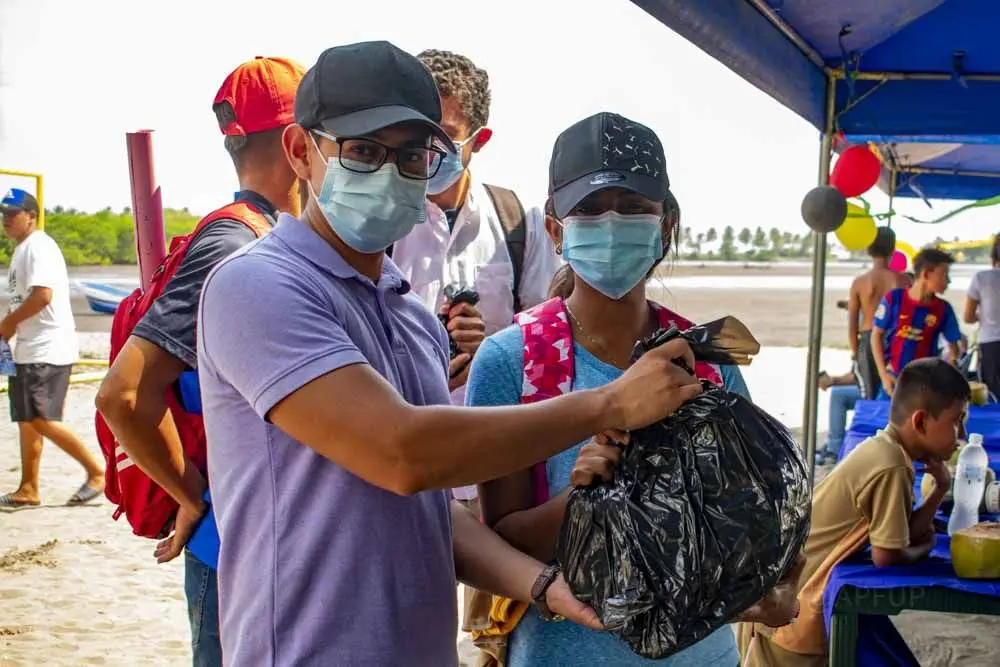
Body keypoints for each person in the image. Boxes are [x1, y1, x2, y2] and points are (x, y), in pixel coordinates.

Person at [194, 41, 704, 666]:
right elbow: (403, 453)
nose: (390, 174)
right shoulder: (258, 285)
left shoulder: (410, 316)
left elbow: (433, 511)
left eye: (413, 156)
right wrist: (610, 405)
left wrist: (545, 587)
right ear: (302, 150)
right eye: (363, 152)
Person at [464, 112, 799, 667]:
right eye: (590, 210)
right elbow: (499, 549)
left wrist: (775, 584)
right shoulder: (513, 363)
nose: (612, 223)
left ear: (666, 225)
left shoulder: (706, 362)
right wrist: (583, 499)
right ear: (555, 230)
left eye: (633, 207)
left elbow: (749, 523)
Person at [95, 56, 305, 667]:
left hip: (272, 536)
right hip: (232, 542)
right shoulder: (233, 244)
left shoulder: (270, 234)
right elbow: (123, 394)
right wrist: (189, 496)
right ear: (298, 144)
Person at [393, 49, 559, 513]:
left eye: (445, 136)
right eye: (418, 133)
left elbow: (547, 341)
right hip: (405, 461)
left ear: (478, 140)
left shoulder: (517, 222)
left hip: (494, 467)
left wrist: (490, 350)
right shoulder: (381, 223)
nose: (428, 151)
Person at [737, 357, 968, 666]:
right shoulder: (893, 466)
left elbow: (898, 532)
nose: (962, 433)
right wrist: (925, 548)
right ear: (921, 421)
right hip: (791, 603)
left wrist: (939, 489)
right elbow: (887, 555)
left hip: (784, 591)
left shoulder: (886, 448)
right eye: (956, 421)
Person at [1, 188, 104, 508]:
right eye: (3, 214)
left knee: (41, 418)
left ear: (31, 216)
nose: (6, 219)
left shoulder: (38, 246)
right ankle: (28, 488)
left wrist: (8, 325)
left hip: (48, 347)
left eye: (13, 213)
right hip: (29, 347)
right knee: (26, 419)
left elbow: (43, 296)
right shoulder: (22, 249)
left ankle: (97, 472)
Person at [871, 247, 962, 399]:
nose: (948, 281)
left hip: (926, 384)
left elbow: (954, 349)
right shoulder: (893, 299)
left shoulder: (943, 309)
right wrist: (883, 374)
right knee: (882, 414)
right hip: (893, 380)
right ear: (926, 274)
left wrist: (950, 366)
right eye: (944, 275)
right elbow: (876, 335)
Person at [848, 226, 908, 399]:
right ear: (893, 249)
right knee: (897, 396)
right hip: (895, 339)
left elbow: (852, 325)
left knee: (869, 396)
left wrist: (855, 352)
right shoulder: (903, 280)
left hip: (868, 340)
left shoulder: (860, 282)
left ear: (869, 249)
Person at [964, 234, 1000, 396]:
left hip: (991, 344)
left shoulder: (982, 278)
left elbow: (968, 317)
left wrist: (984, 315)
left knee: (993, 395)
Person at [814, 370, 862, 465]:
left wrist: (833, 380)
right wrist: (832, 381)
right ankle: (833, 443)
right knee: (837, 391)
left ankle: (834, 450)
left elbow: (864, 379)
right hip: (874, 386)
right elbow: (858, 375)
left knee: (838, 394)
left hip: (882, 391)